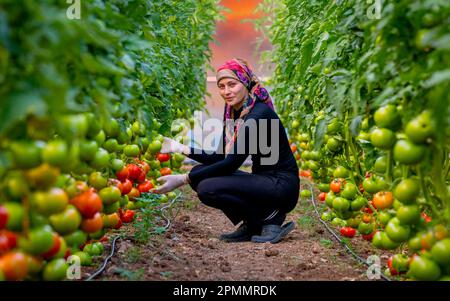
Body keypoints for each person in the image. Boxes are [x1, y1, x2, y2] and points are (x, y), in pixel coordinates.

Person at [151, 58, 299, 244]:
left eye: (232, 84)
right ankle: (253, 223)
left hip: (281, 186)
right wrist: (179, 148)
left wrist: (183, 179)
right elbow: (221, 156)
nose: (226, 91)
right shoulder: (235, 112)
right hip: (263, 182)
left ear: (245, 82)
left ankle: (271, 217)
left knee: (206, 187)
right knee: (199, 173)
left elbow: (231, 163)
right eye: (221, 86)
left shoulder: (258, 114)